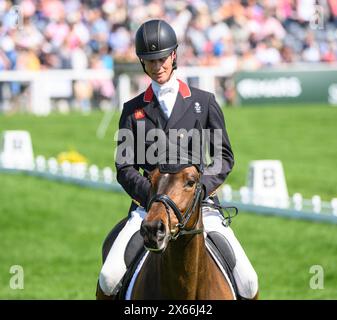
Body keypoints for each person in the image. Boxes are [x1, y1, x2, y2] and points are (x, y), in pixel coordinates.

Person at [97, 19, 258, 300]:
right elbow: (124, 167)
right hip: (149, 209)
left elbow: (223, 156)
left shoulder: (204, 102)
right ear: (141, 62)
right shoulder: (133, 110)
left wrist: (198, 191)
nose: (157, 67)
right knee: (109, 277)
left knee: (248, 281)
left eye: (162, 59)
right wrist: (157, 198)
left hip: (201, 208)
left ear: (173, 55)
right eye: (150, 61)